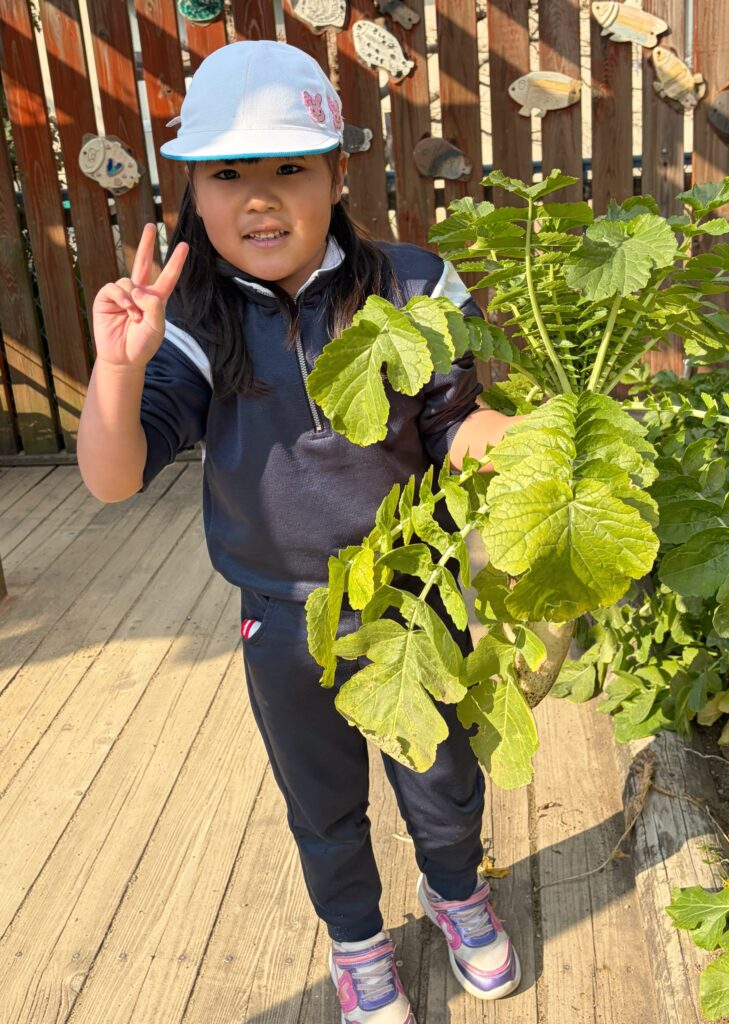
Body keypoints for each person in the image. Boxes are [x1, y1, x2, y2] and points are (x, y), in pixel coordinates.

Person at [77, 40, 521, 1024]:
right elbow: (114, 479)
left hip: (413, 596)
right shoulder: (190, 317)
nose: (260, 199)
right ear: (194, 192)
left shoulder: (413, 282)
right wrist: (119, 367)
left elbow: (454, 423)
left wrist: (519, 445)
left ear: (338, 173)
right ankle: (356, 940)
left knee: (444, 776)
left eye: (290, 167)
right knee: (322, 800)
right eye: (227, 175)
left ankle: (455, 891)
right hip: (282, 614)